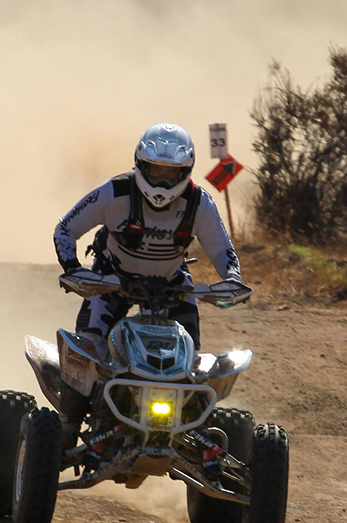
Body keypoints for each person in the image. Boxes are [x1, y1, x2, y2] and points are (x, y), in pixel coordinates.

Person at [51, 123, 250, 435]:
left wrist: (232, 278)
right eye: (156, 170)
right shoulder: (114, 192)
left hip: (173, 285)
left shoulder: (200, 203)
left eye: (171, 173)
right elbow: (65, 229)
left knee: (190, 360)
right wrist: (73, 268)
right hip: (111, 281)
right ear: (141, 166)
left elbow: (222, 250)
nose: (162, 181)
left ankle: (196, 431)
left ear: (186, 171)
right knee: (88, 351)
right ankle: (67, 428)